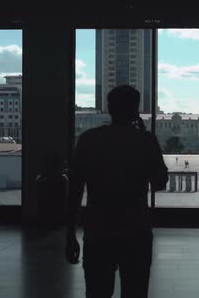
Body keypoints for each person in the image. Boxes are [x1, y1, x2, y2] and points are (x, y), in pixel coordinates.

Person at [65, 85, 168, 298]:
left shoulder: (89, 140)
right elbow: (159, 182)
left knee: (97, 290)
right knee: (135, 290)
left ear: (109, 109)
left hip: (98, 231)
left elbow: (74, 190)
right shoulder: (145, 141)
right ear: (136, 110)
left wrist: (70, 234)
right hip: (136, 230)